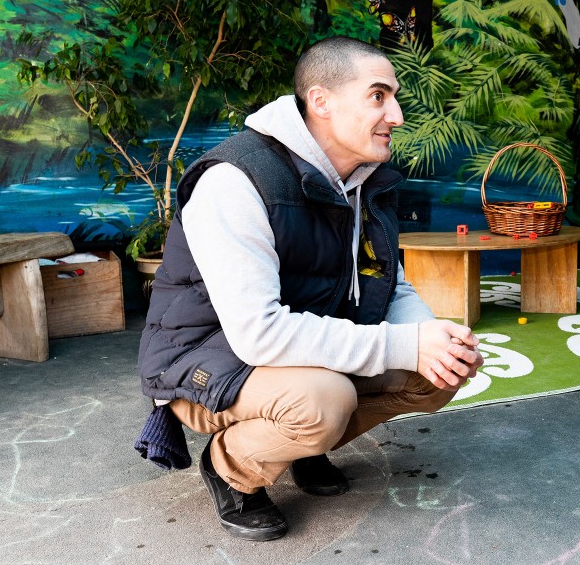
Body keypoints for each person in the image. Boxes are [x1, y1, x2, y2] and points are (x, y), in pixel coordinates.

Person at [136, 36, 484, 542]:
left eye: (395, 97)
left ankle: (299, 444)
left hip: (292, 352)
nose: (398, 115)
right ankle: (232, 467)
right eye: (379, 96)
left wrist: (431, 337)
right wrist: (405, 345)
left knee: (437, 373)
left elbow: (390, 281)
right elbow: (258, 334)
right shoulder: (235, 182)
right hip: (203, 361)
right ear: (321, 101)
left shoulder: (362, 180)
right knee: (323, 401)